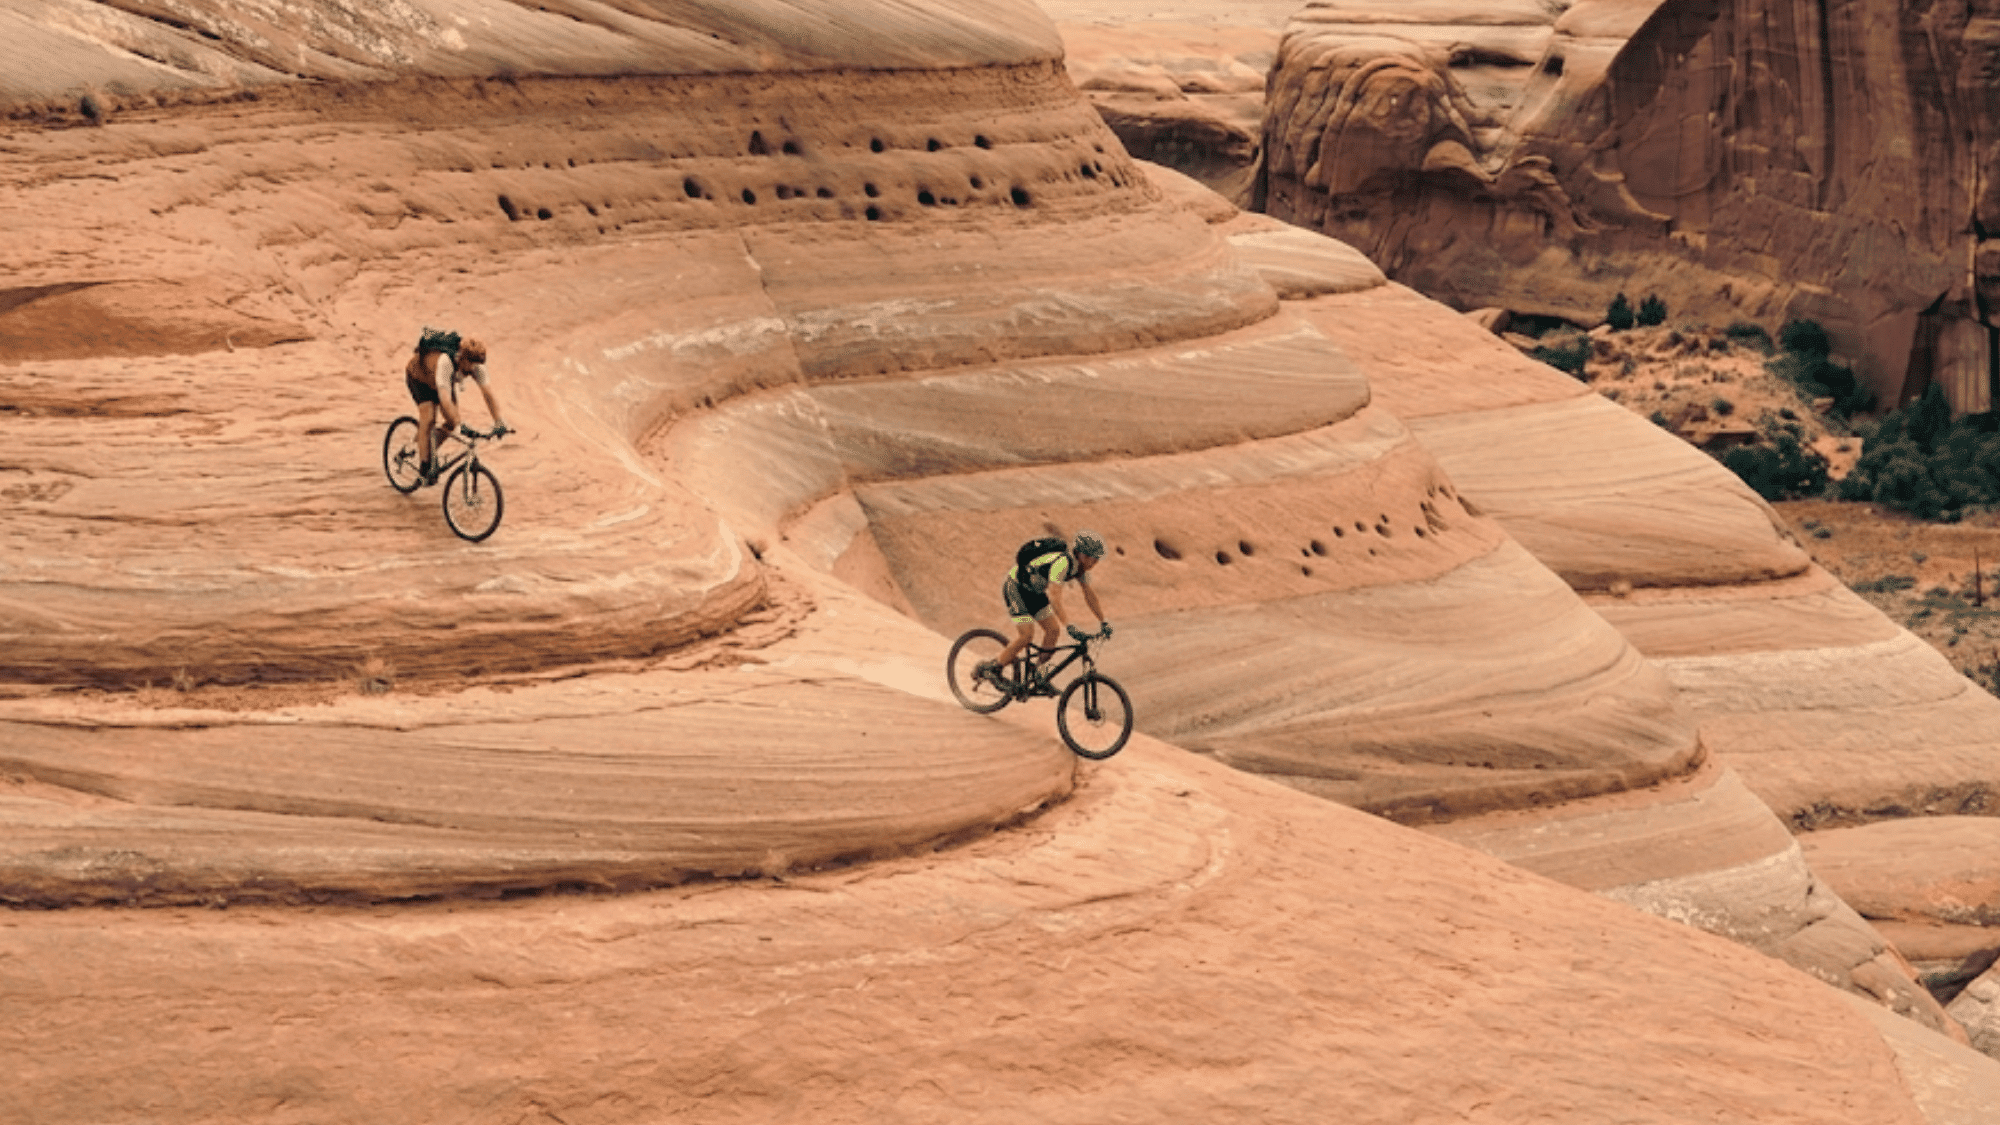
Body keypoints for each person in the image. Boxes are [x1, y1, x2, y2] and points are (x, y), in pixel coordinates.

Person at [979, 530, 1112, 693]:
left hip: (1035, 593)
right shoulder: (1062, 563)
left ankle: (1037, 675)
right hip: (1016, 588)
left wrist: (1103, 621)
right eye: (1094, 558)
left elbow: (1090, 596)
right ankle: (993, 668)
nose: (1096, 562)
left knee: (1053, 630)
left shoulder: (1080, 570)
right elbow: (1055, 598)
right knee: (1026, 635)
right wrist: (1069, 625)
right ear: (1083, 555)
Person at [404, 328, 511, 485]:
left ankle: (427, 449)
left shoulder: (476, 363)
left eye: (476, 364)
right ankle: (424, 467)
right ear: (462, 357)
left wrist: (499, 421)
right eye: (471, 364)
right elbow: (445, 398)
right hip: (419, 377)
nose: (474, 368)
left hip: (440, 382)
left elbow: (488, 393)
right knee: (429, 418)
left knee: (451, 423)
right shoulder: (446, 362)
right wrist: (460, 424)